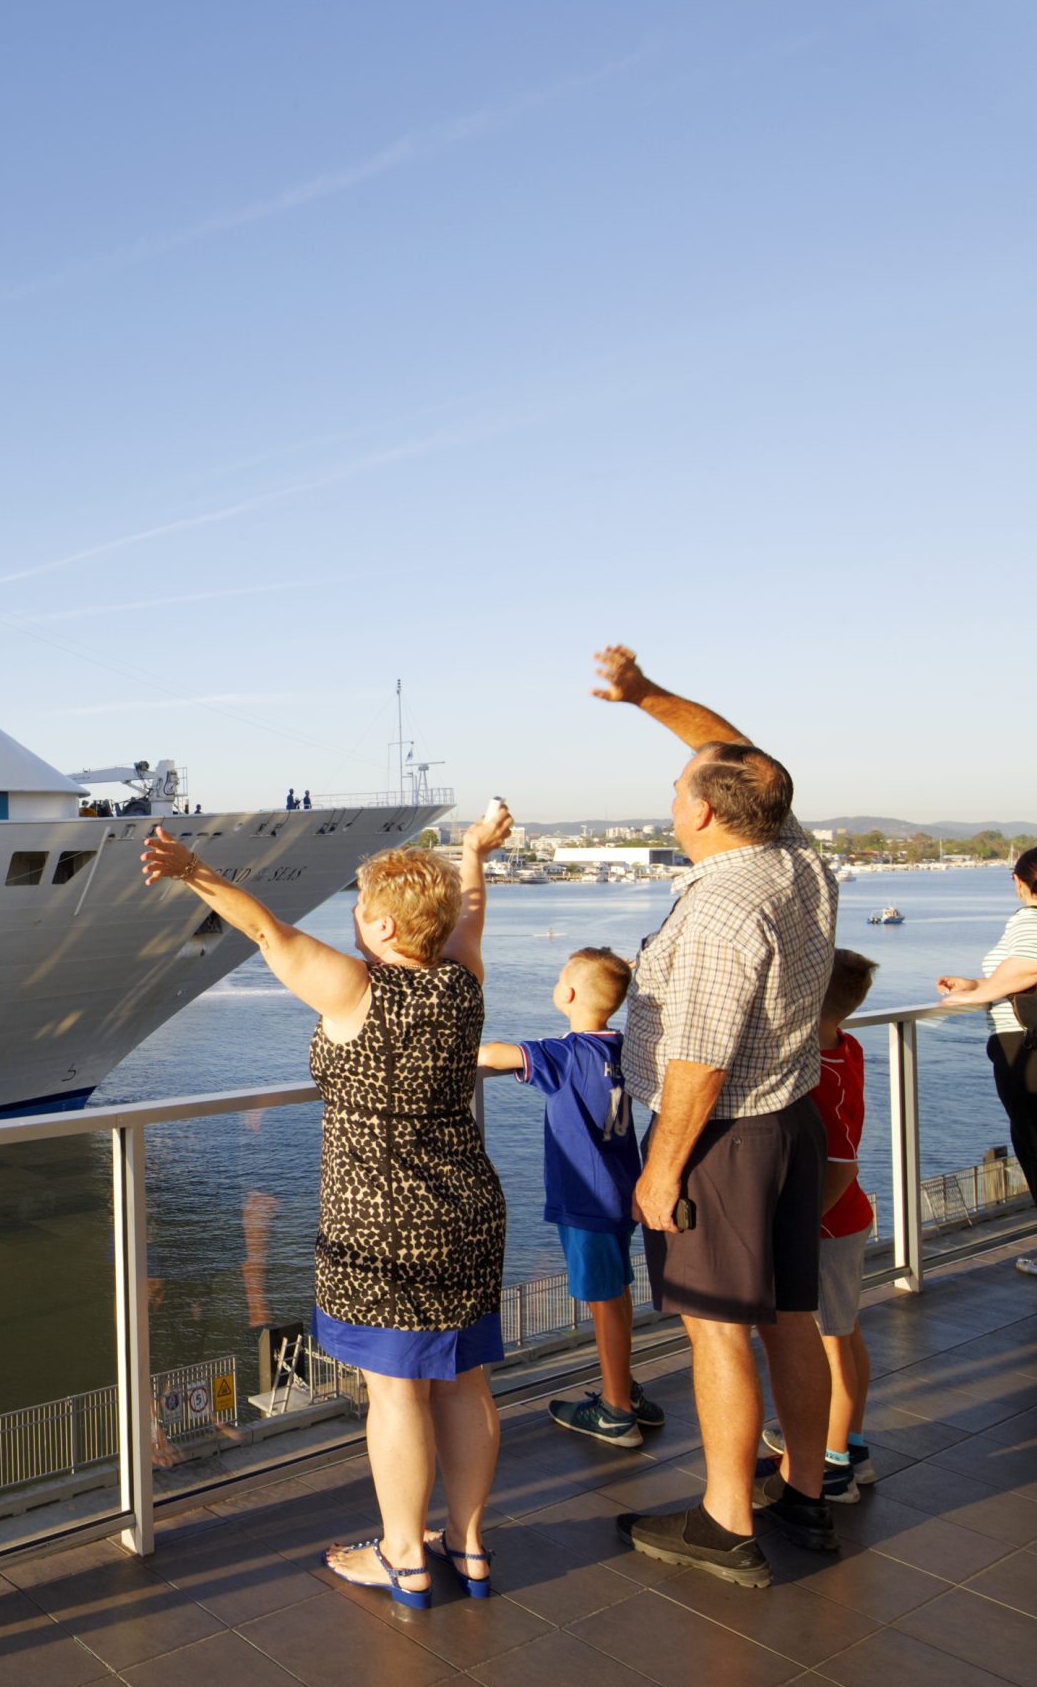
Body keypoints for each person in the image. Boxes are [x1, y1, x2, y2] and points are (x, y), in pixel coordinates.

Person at [142, 806, 513, 1610]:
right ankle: (471, 1546)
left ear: (380, 920)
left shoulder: (357, 990)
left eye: (357, 904)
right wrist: (473, 854)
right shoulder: (463, 981)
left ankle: (406, 1556)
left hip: (379, 1223)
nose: (349, 914)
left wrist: (191, 870)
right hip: (468, 1209)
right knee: (464, 1382)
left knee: (396, 1393)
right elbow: (472, 915)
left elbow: (268, 932)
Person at [590, 644, 840, 1583]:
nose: (670, 795)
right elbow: (736, 752)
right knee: (790, 1316)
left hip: (720, 1143)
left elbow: (697, 1061)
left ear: (699, 812)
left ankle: (726, 1522)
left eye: (677, 786)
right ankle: (805, 1493)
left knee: (719, 1329)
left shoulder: (717, 913)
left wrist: (660, 1169)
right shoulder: (795, 861)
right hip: (791, 1119)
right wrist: (647, 695)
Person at [480, 947, 662, 1446]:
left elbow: (496, 1054)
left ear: (569, 993)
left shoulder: (567, 1053)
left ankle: (615, 1410)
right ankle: (622, 1386)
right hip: (622, 1190)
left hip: (584, 1199)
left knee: (602, 1302)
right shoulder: (620, 1048)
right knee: (618, 1293)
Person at [753, 949, 881, 1506]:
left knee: (828, 1339)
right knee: (846, 1333)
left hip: (827, 1228)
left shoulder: (822, 1078)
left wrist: (804, 1227)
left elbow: (841, 1164)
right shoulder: (844, 1050)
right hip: (848, 1219)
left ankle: (830, 1466)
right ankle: (850, 1443)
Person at [938, 845, 1037, 1284]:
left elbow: (1033, 965)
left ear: (1020, 880)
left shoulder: (1033, 917)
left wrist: (975, 995)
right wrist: (980, 982)